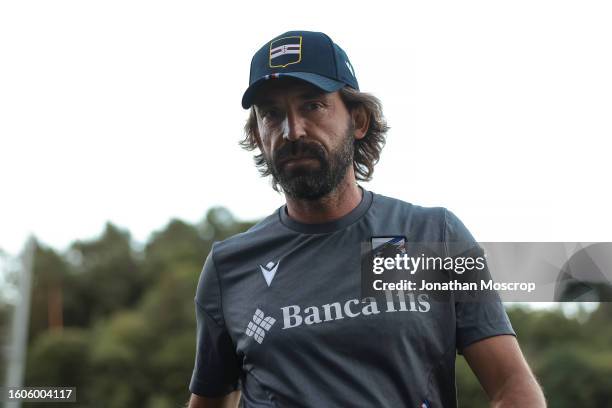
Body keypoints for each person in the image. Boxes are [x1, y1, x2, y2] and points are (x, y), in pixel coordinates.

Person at [188, 30, 546, 408]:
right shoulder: (230, 268)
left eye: (312, 105)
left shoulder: (433, 236)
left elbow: (512, 388)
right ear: (258, 136)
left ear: (357, 120)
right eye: (271, 114)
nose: (292, 131)